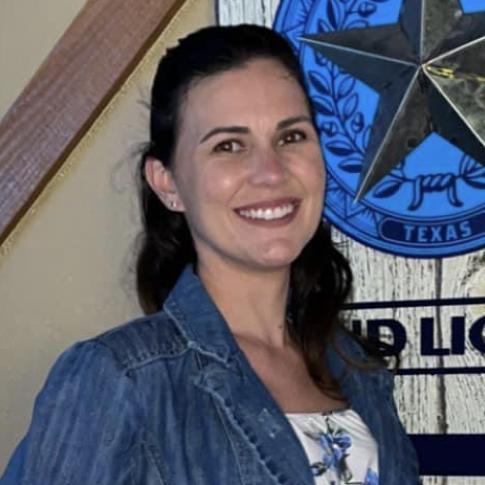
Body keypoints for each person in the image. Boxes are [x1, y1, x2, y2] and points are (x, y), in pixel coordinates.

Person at [1, 24, 419, 484]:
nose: (270, 172)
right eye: (229, 146)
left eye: (291, 137)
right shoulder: (121, 378)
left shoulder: (359, 369)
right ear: (168, 183)